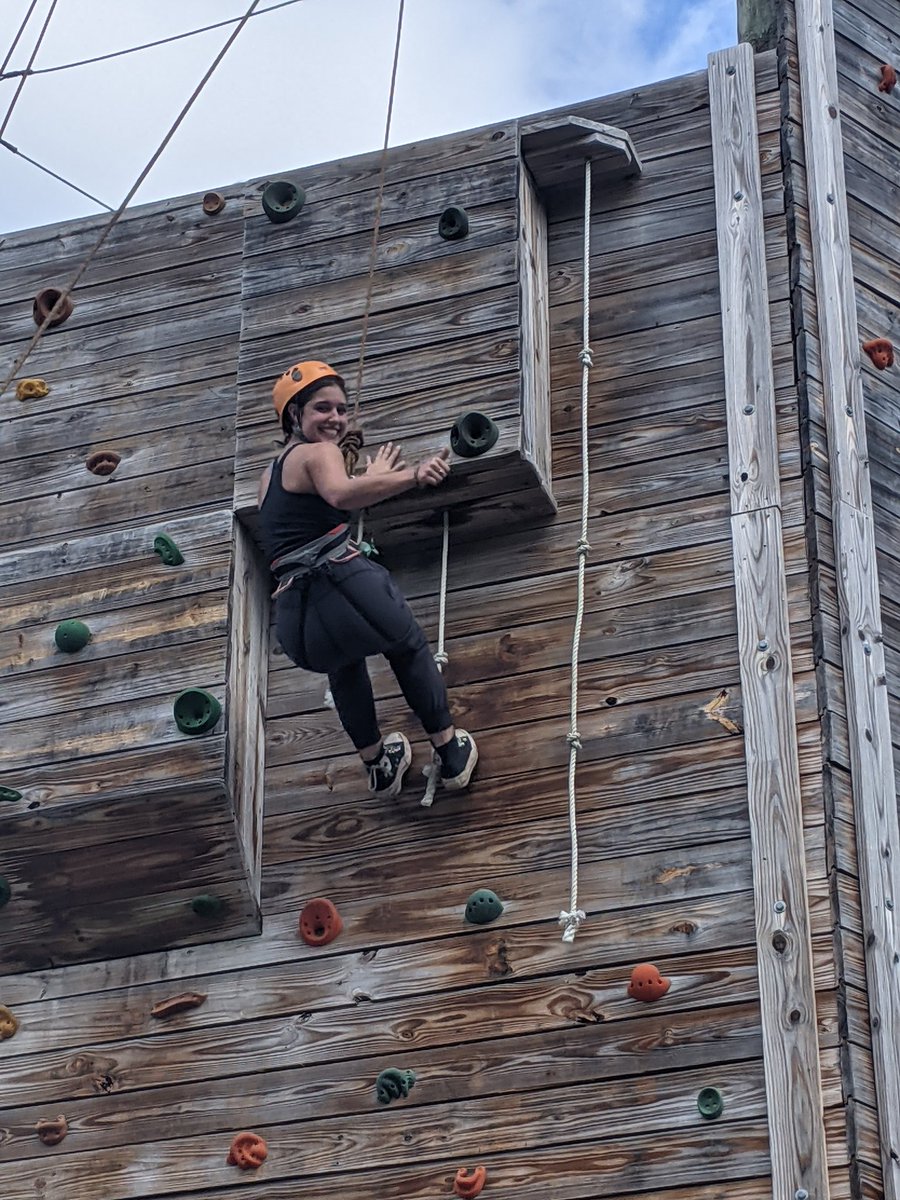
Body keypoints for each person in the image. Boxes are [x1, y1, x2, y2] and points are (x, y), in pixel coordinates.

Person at [257, 359, 478, 798]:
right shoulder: (318, 453)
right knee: (407, 647)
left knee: (344, 670)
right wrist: (409, 476)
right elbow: (338, 492)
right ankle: (449, 752)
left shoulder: (270, 475)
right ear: (294, 416)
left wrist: (369, 478)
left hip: (296, 622)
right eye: (323, 409)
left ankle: (379, 764)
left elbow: (318, 508)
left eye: (342, 410)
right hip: (343, 583)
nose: (336, 419)